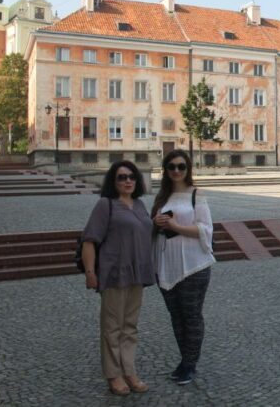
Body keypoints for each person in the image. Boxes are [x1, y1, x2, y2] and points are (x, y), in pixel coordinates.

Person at [81, 160, 154, 396]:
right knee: (112, 327)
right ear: (114, 181)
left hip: (137, 274)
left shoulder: (140, 205)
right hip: (113, 274)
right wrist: (91, 272)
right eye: (122, 177)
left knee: (130, 327)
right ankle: (114, 375)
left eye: (131, 176)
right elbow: (90, 240)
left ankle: (129, 371)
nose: (128, 181)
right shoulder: (106, 205)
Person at [151, 149, 215, 385]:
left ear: (188, 169)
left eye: (181, 166)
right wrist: (155, 223)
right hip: (166, 265)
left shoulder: (196, 195)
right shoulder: (161, 198)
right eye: (171, 167)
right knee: (176, 316)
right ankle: (183, 360)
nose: (176, 171)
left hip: (193, 266)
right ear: (166, 170)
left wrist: (176, 226)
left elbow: (205, 229)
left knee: (191, 315)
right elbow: (154, 232)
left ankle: (190, 364)